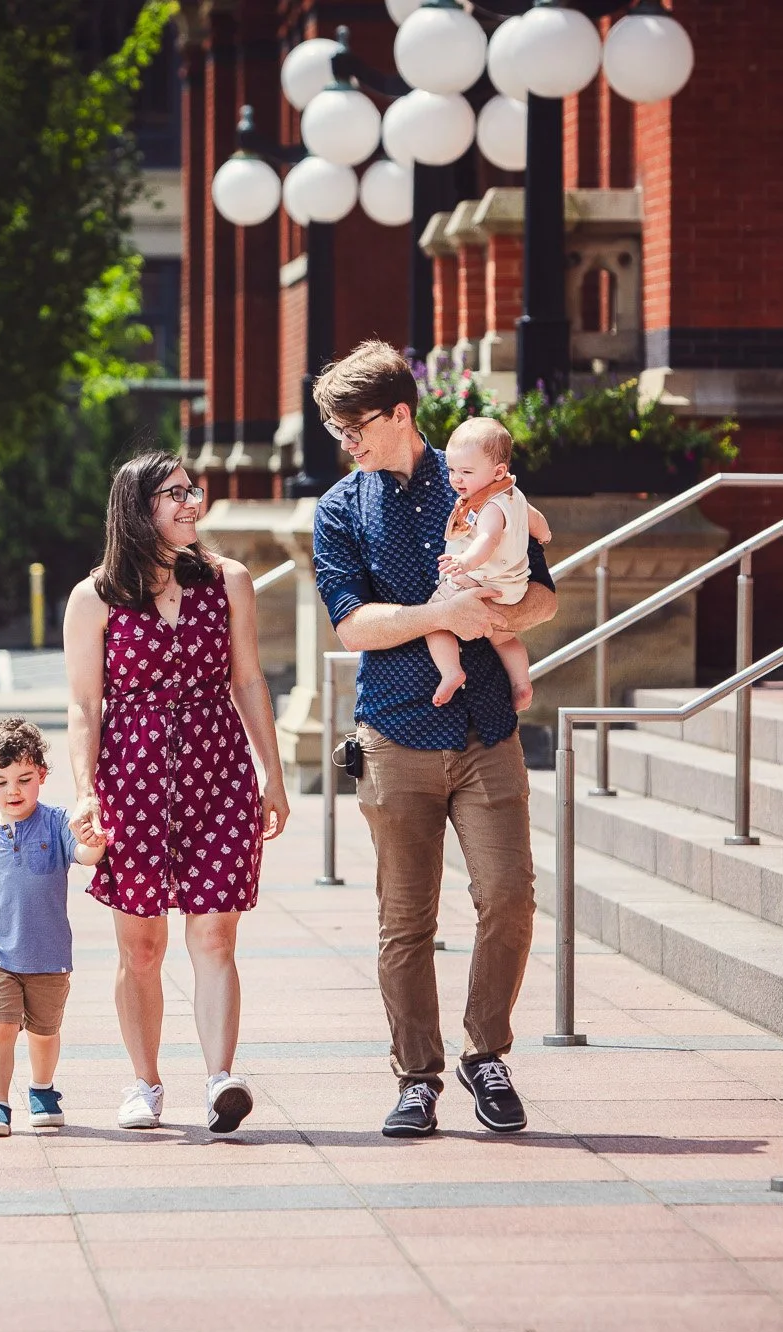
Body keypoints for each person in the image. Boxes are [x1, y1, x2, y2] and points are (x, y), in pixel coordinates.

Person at [309, 340, 558, 1140]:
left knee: (510, 896)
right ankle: (416, 1077)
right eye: (339, 431)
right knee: (405, 920)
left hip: (487, 729)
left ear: (401, 413)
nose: (348, 443)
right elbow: (352, 625)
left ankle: (486, 1052)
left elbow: (544, 595)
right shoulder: (341, 509)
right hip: (395, 734)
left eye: (357, 428)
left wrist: (502, 618)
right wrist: (439, 618)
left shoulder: (475, 473)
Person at [62, 450, 291, 1134]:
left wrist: (272, 771)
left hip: (218, 772)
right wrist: (85, 792)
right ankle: (146, 1082)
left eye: (194, 490)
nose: (193, 501)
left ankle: (222, 1078)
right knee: (141, 947)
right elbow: (83, 705)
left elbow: (247, 680)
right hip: (128, 779)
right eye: (176, 493)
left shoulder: (230, 582)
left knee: (216, 932)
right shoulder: (94, 596)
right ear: (138, 509)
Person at [0, 718, 107, 1137]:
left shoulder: (57, 823)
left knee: (44, 1031)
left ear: (42, 774)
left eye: (23, 779)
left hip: (48, 954)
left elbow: (86, 856)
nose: (13, 790)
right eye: (1, 782)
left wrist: (94, 840)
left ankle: (42, 1089)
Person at [426, 417, 553, 710]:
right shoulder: (514, 495)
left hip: (480, 581)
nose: (456, 479)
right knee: (505, 640)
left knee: (434, 620)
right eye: (452, 470)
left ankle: (451, 672)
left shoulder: (489, 507)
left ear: (498, 471)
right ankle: (522, 684)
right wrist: (545, 534)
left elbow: (488, 539)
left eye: (466, 472)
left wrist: (464, 562)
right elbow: (537, 522)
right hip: (512, 586)